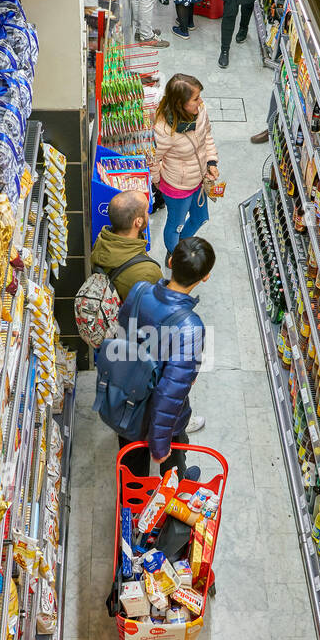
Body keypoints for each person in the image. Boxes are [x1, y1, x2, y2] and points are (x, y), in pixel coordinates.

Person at [116, 236, 216, 477]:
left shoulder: (140, 291)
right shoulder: (190, 327)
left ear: (170, 261)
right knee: (173, 456)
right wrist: (159, 445)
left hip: (126, 396)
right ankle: (178, 488)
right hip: (158, 414)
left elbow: (122, 335)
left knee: (130, 466)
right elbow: (170, 392)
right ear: (205, 276)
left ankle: (129, 502)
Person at [151, 73, 220, 264]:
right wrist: (157, 181)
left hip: (199, 179)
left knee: (200, 218)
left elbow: (207, 136)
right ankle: (174, 254)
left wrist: (211, 162)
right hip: (176, 187)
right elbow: (154, 160)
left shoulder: (201, 112)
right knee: (176, 225)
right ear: (180, 103)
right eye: (195, 99)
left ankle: (180, 246)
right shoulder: (164, 130)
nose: (201, 102)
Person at [90, 190, 162, 299]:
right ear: (138, 221)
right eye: (147, 211)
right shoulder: (148, 272)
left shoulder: (102, 239)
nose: (148, 214)